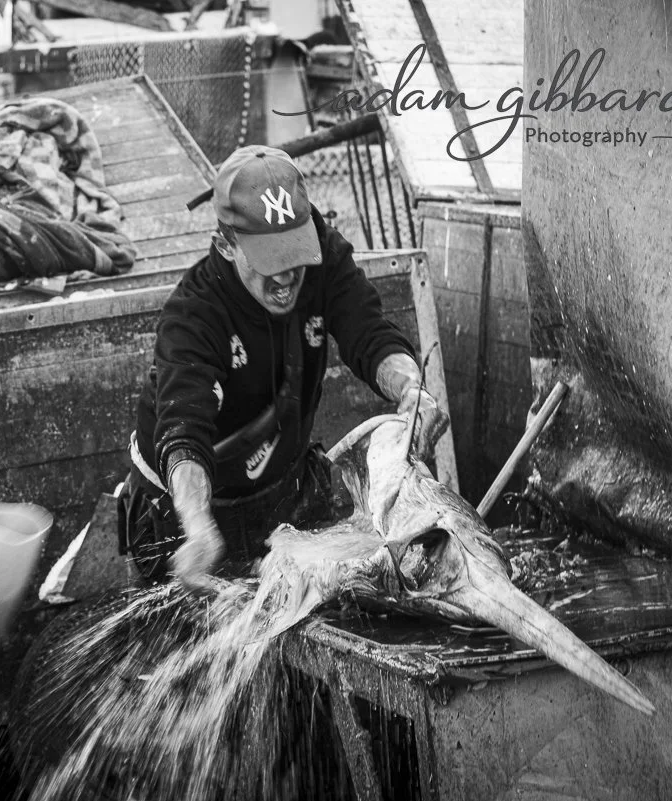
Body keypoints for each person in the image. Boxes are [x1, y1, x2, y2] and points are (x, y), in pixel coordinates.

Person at [122, 145, 449, 588]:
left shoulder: (322, 254)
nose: (286, 275)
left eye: (293, 252)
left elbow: (367, 332)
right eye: (268, 259)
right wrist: (198, 527)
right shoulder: (194, 314)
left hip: (280, 490)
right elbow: (184, 431)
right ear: (225, 244)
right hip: (183, 507)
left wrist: (412, 389)